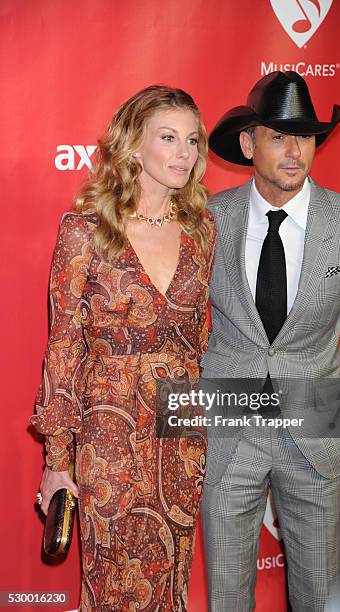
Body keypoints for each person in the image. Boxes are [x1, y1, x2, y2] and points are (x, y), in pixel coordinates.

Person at [200, 71, 340, 611]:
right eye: (279, 136)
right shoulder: (210, 220)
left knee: (317, 597)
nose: (294, 152)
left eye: (305, 137)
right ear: (248, 143)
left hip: (319, 432)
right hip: (230, 428)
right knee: (226, 598)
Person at [31, 85, 216, 611]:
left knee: (170, 575)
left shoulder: (202, 230)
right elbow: (63, 345)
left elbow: (199, 339)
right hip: (106, 431)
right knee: (111, 577)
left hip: (180, 429)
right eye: (168, 137)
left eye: (192, 140)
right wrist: (57, 461)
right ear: (133, 146)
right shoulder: (86, 230)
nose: (185, 153)